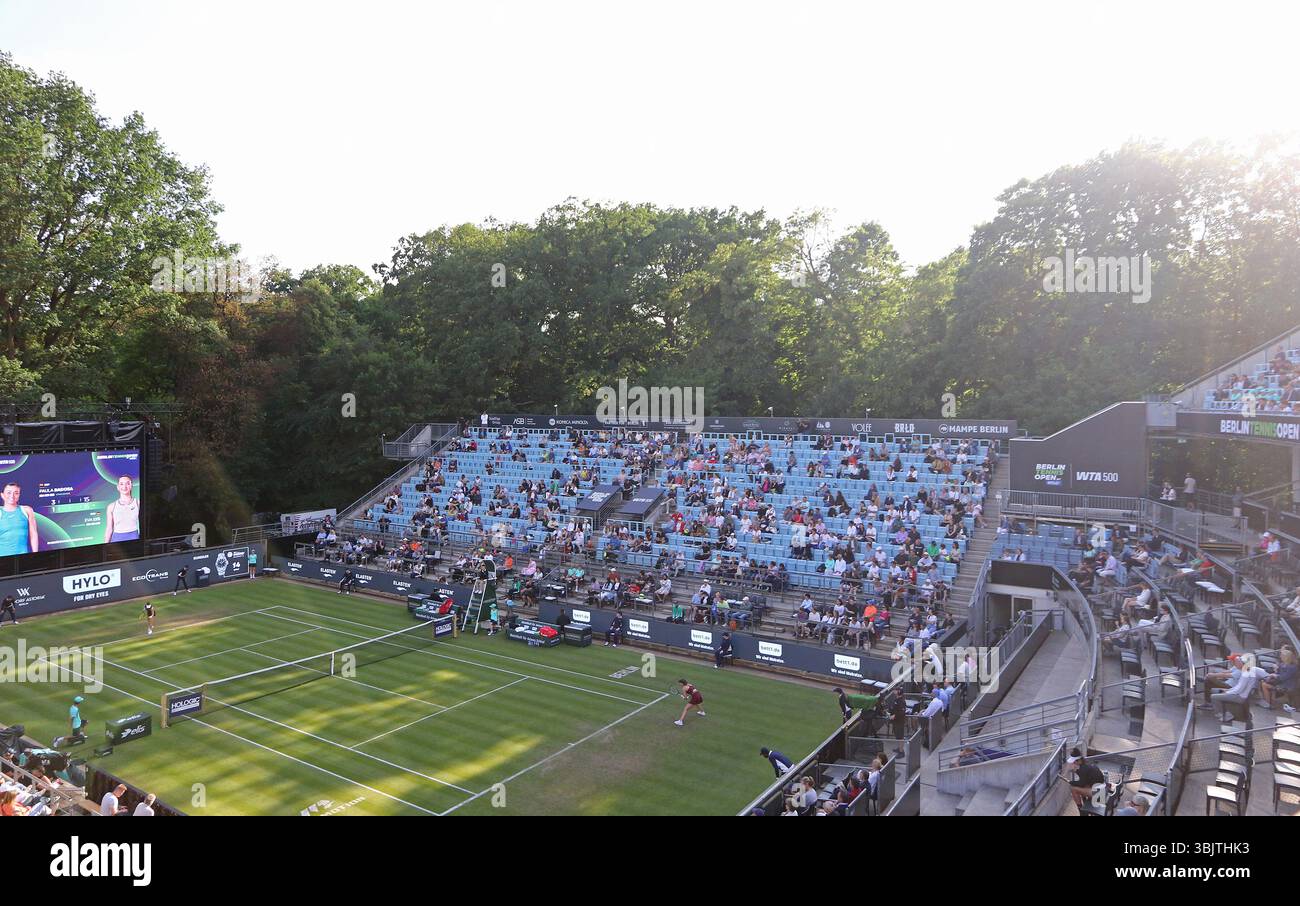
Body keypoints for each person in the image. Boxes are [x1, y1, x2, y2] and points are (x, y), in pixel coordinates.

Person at [0, 481, 39, 555]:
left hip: (23, 557)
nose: (12, 496)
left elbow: (33, 534)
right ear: (2, 495)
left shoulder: (27, 510)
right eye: (9, 492)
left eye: (16, 493)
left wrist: (35, 555)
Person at [103, 475, 140, 543]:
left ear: (131, 486)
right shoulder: (111, 506)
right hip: (117, 540)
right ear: (118, 487)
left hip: (134, 538)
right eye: (121, 484)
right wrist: (105, 547)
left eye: (127, 483)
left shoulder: (138, 503)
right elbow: (109, 528)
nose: (124, 486)